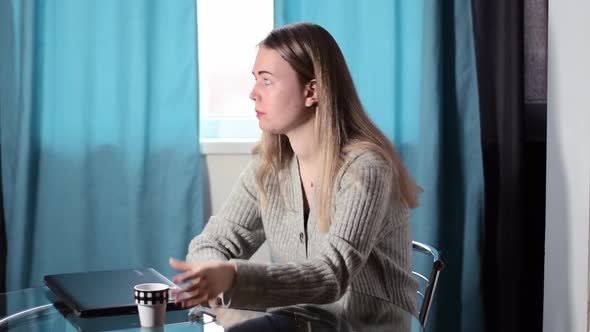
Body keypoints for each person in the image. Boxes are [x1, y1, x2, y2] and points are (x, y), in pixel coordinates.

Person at [169, 22, 421, 319]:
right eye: (255, 80)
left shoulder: (366, 168)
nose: (253, 93)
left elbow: (331, 274)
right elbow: (211, 244)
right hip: (300, 324)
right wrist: (219, 286)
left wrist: (233, 279)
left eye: (266, 81)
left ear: (311, 91)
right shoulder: (268, 168)